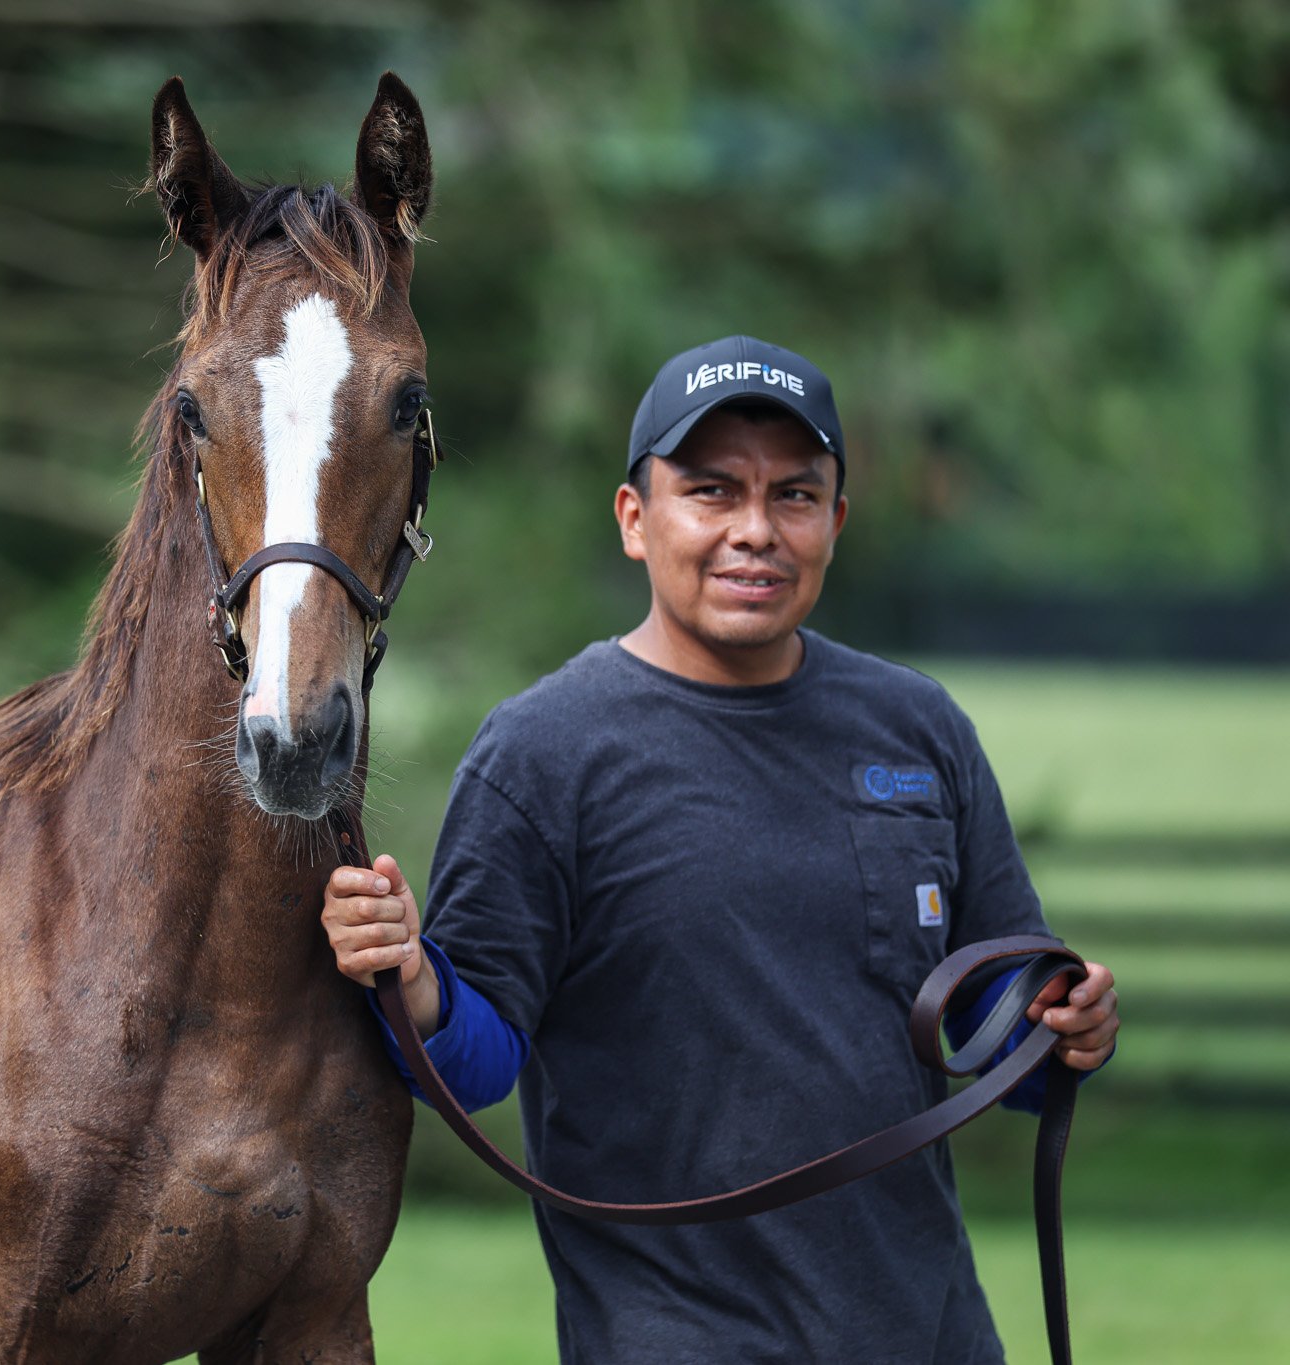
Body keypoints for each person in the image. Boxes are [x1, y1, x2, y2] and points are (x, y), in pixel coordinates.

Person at [321, 336, 1120, 1363]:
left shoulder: (917, 730)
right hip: (674, 1337)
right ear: (633, 519)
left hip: (928, 1335)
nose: (754, 532)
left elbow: (997, 1025)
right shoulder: (540, 754)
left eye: (792, 496)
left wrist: (1064, 1028)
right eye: (709, 491)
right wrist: (408, 977)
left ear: (833, 521)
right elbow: (472, 1063)